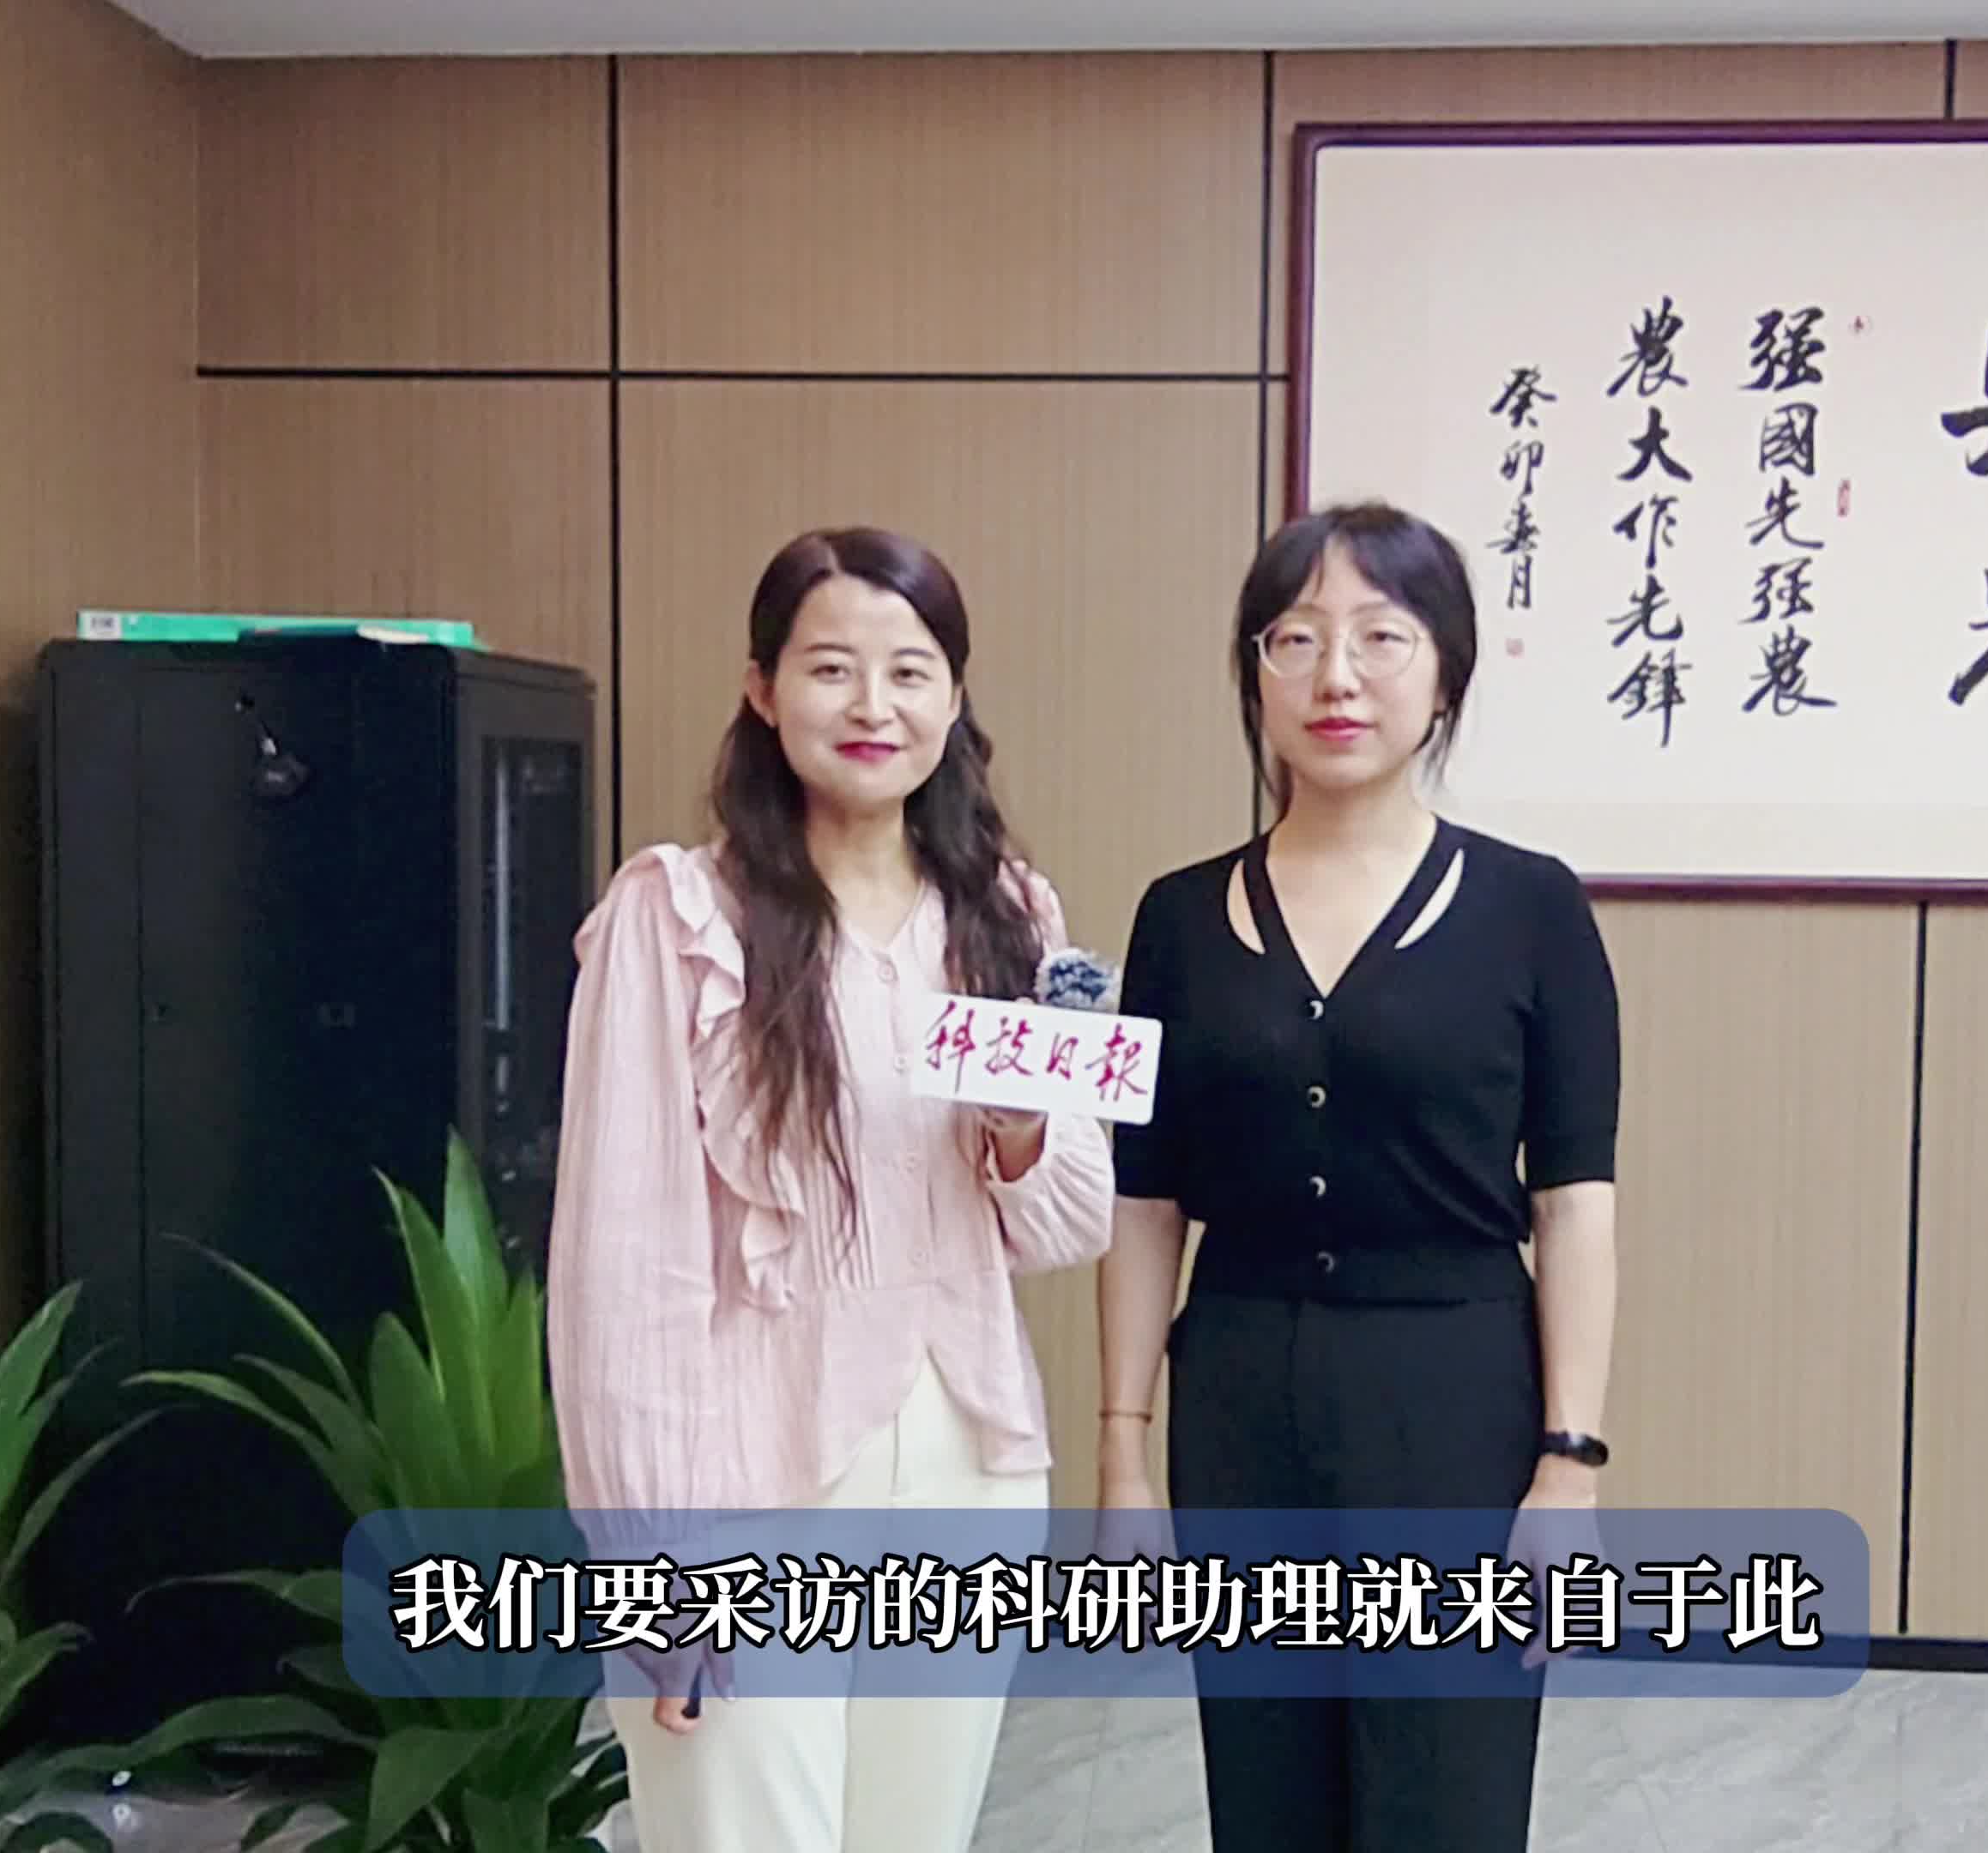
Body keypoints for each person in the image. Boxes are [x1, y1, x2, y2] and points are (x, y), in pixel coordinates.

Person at [544, 527, 1115, 1853]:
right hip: (741, 1482)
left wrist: (1021, 1127)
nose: (873, 706)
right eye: (831, 668)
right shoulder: (678, 918)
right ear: (762, 689)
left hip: (972, 1462)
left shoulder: (1012, 916)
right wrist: (653, 1563)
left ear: (954, 699)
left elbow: (1071, 1219)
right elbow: (623, 1276)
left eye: (911, 671)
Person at [1095, 501, 1623, 1851]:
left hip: (1456, 1403)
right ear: (1255, 675)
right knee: (1266, 1793)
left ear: (1445, 674)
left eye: (1382, 638)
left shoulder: (1532, 906)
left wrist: (1569, 1463)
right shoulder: (1176, 916)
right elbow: (1144, 1198)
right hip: (1239, 1399)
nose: (1338, 675)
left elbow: (1574, 1200)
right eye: (1297, 639)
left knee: (1447, 1791)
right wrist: (1123, 1453)